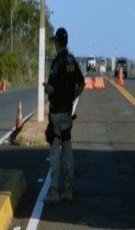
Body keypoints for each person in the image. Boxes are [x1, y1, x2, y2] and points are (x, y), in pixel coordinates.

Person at [43, 27, 85, 203]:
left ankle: (53, 191)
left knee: (55, 153)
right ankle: (69, 190)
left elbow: (52, 87)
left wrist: (46, 88)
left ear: (58, 43)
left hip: (56, 114)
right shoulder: (72, 61)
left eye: (55, 42)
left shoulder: (57, 63)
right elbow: (81, 84)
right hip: (67, 113)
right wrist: (72, 98)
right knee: (67, 151)